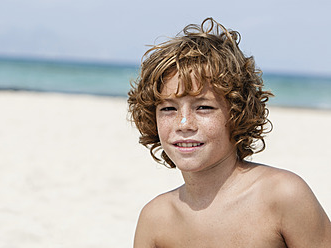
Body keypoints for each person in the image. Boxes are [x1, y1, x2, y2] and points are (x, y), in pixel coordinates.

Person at [127, 17, 331, 247]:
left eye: (204, 107)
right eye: (168, 108)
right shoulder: (156, 219)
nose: (184, 123)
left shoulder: (283, 195)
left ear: (237, 114)